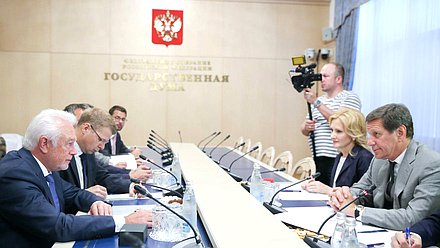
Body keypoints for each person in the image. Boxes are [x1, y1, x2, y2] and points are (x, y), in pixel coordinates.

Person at [0, 109, 151, 247]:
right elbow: (57, 226)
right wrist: (123, 221)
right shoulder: (15, 174)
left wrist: (95, 202)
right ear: (44, 143)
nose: (74, 152)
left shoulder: (42, 166)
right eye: (69, 144)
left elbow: (72, 192)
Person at [328, 103, 440, 230]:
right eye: (369, 135)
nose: (369, 142)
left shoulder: (431, 164)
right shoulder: (378, 160)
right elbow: (360, 189)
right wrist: (343, 197)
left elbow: (412, 218)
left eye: (376, 134)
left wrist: (358, 212)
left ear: (400, 133)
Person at [300, 62, 361, 186]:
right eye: (320, 76)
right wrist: (306, 127)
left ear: (338, 79)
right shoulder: (320, 100)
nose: (321, 79)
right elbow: (304, 130)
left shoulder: (349, 97)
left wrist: (316, 102)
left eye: (326, 76)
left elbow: (343, 122)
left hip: (338, 157)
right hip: (317, 158)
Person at [58, 108, 134, 202]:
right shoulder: (61, 153)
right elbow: (57, 194)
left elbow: (102, 177)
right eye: (100, 140)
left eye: (105, 142)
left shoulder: (88, 152)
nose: (102, 147)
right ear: (86, 128)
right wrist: (85, 195)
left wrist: (130, 186)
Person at [301, 108, 373, 195]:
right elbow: (336, 187)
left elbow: (364, 195)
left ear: (354, 134)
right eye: (332, 130)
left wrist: (328, 191)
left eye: (338, 131)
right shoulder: (340, 156)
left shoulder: (364, 158)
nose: (332, 136)